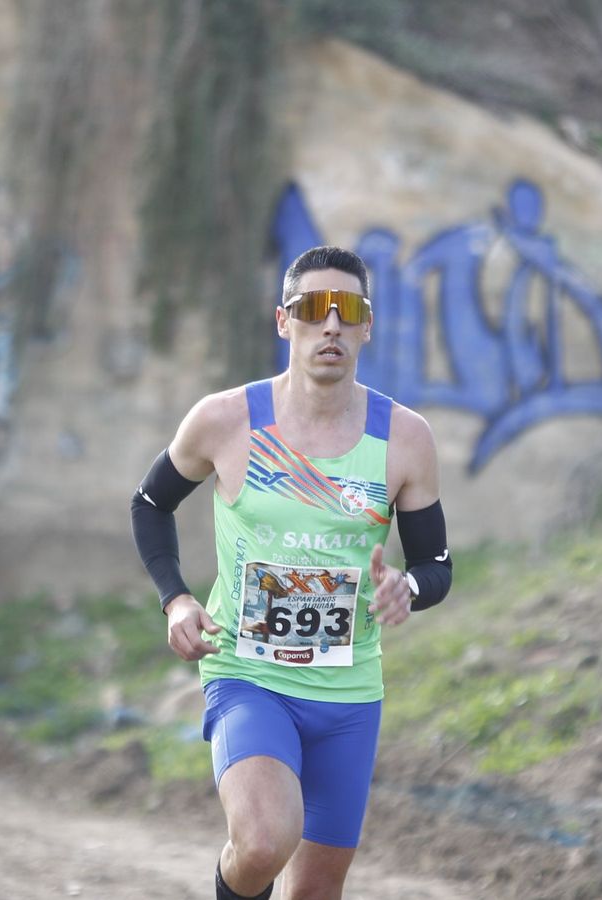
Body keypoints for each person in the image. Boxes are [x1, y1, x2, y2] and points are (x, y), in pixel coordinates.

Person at [132, 246, 453, 899]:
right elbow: (150, 504)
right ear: (284, 321)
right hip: (247, 676)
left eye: (348, 310)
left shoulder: (405, 438)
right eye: (313, 308)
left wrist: (408, 587)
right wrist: (176, 599)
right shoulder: (226, 420)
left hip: (348, 693)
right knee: (262, 842)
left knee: (314, 892)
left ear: (367, 326)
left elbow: (435, 565)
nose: (331, 324)